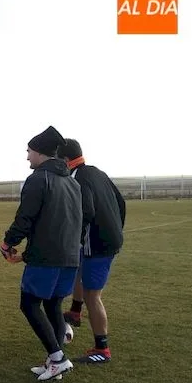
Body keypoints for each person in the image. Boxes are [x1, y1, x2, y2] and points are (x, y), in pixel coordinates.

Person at [1, 126, 82, 381]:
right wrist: (26, 255)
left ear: (39, 153)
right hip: (69, 256)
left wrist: (9, 242)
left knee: (29, 303)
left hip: (47, 259)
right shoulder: (71, 181)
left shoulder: (38, 179)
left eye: (29, 152)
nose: (27, 157)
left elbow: (26, 218)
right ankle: (53, 360)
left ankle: (58, 359)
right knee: (53, 304)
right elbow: (62, 222)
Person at [57, 138, 126, 364]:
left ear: (65, 160)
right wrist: (117, 227)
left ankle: (101, 348)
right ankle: (75, 311)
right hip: (106, 239)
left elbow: (86, 211)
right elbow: (120, 201)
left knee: (93, 296)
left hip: (97, 244)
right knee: (77, 267)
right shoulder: (97, 172)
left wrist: (71, 236)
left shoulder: (77, 178)